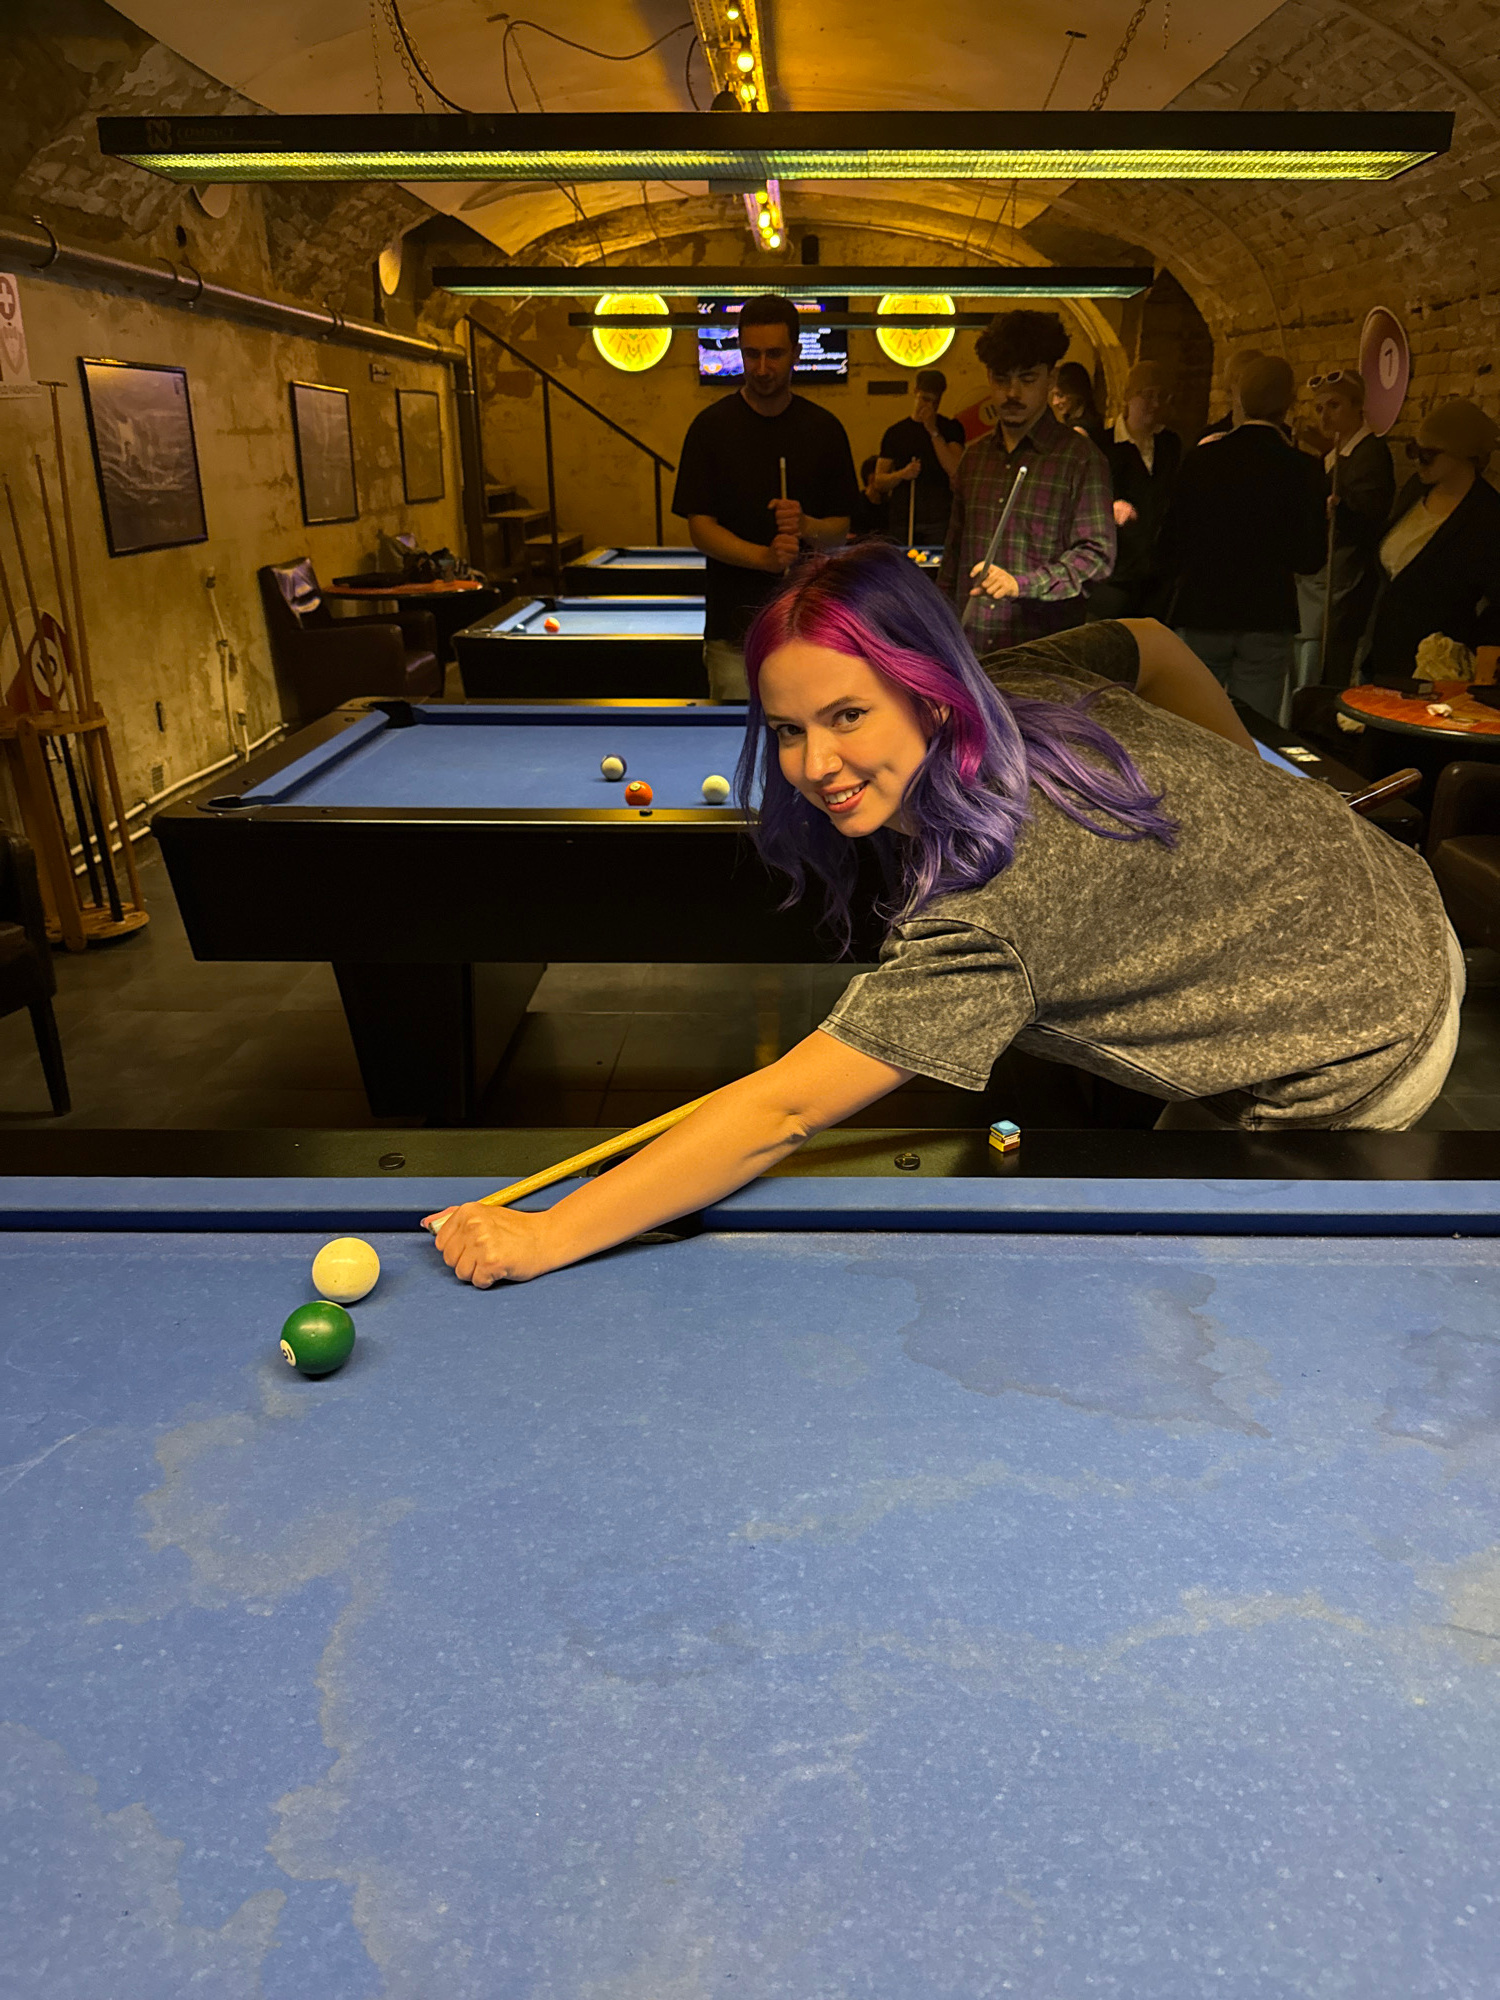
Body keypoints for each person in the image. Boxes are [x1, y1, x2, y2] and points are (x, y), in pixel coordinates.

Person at [427, 543, 1461, 1287]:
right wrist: (1266, 810)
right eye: (788, 728)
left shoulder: (998, 908)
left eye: (848, 714)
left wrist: (547, 1235)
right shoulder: (1017, 681)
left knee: (1189, 1299)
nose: (815, 764)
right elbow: (1150, 644)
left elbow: (781, 1113)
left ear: (929, 693)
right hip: (1382, 886)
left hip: (1361, 1034)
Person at [673, 293, 858, 700]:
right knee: (734, 736)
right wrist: (764, 558)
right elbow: (700, 528)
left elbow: (840, 531)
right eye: (751, 354)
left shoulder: (825, 430)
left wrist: (806, 526)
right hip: (732, 637)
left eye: (774, 354)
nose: (761, 368)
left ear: (796, 352)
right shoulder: (709, 428)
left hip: (810, 633)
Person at [1157, 355, 1326, 719]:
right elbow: (1309, 559)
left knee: (1194, 721)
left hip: (1203, 608)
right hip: (1267, 613)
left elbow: (1171, 543)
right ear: (1289, 402)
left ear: (1240, 398)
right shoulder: (1304, 469)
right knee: (1254, 726)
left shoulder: (1202, 460)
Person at [938, 310, 1115, 652]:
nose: (1012, 392)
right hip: (971, 650)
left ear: (1051, 379)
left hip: (1042, 656)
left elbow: (1096, 557)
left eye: (1028, 379)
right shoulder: (974, 460)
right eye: (1001, 379)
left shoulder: (1081, 459)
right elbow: (953, 561)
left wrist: (1022, 585)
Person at [1361, 399, 1500, 686]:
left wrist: (1467, 657)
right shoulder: (1415, 490)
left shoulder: (1487, 516)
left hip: (1436, 670)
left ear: (1463, 454)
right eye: (1413, 450)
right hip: (1383, 654)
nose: (1417, 460)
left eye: (1427, 454)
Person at [1293, 369, 1395, 690]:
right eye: (1319, 408)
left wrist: (1341, 506)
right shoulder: (1336, 453)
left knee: (1335, 652)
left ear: (1357, 406)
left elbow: (1370, 514)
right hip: (1326, 572)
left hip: (1349, 574)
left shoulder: (1370, 454)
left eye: (1334, 406)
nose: (1324, 415)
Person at [1090, 359, 1183, 619]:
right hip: (1115, 576)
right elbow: (1083, 501)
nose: (1156, 404)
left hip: (1157, 576)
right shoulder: (1102, 445)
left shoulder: (1169, 444)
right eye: (1148, 395)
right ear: (1128, 397)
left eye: (1162, 396)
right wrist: (1110, 506)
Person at [866, 371, 966, 546]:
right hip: (903, 520)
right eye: (925, 399)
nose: (930, 406)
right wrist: (902, 474)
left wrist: (933, 432)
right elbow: (879, 482)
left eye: (935, 402)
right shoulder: (896, 433)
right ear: (915, 391)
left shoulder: (950, 428)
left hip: (940, 520)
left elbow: (956, 470)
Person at [1200, 347, 1265, 439]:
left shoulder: (1280, 437)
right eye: (1241, 381)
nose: (1249, 389)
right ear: (1230, 388)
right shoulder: (1211, 438)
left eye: (1257, 382)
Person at [1049, 360, 1108, 448]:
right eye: (1053, 395)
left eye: (1060, 395)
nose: (1055, 402)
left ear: (1076, 392)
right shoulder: (1092, 420)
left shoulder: (1079, 431)